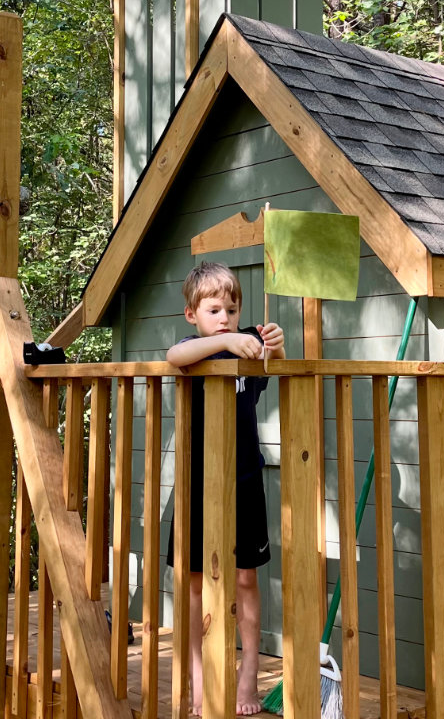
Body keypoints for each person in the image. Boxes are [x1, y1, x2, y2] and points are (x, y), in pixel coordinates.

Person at [166, 261, 285, 716]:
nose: (225, 317)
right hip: (198, 484)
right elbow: (174, 357)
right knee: (195, 584)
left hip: (244, 480)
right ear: (191, 314)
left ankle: (247, 678)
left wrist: (272, 342)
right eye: (214, 309)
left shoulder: (249, 355)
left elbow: (274, 360)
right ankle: (199, 685)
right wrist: (225, 340)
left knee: (245, 579)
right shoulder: (192, 349)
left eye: (232, 309)